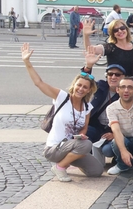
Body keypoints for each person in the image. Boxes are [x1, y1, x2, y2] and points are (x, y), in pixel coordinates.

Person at [21, 43, 103, 182]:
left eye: (85, 87)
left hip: (72, 146)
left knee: (97, 171)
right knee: (87, 145)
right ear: (74, 85)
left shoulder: (87, 106)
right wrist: (27, 61)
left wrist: (82, 135)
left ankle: (69, 159)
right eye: (79, 85)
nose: (81, 89)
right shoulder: (62, 97)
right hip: (54, 148)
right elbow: (39, 83)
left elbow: (84, 127)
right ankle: (59, 167)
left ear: (89, 90)